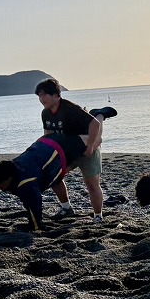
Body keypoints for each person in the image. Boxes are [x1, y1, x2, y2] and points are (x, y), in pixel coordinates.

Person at [0, 133, 86, 231]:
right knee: (56, 180)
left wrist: (36, 226)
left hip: (61, 150)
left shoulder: (26, 182)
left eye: (1, 185)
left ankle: (67, 207)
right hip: (43, 143)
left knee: (83, 143)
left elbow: (34, 205)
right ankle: (67, 208)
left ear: (10, 178)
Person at [34, 78, 117, 223]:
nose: (41, 99)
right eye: (39, 95)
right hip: (67, 151)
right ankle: (66, 208)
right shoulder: (45, 113)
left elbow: (94, 125)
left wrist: (90, 147)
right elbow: (48, 134)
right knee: (55, 177)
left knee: (92, 183)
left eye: (44, 94)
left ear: (56, 95)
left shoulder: (70, 109)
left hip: (87, 146)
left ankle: (98, 215)